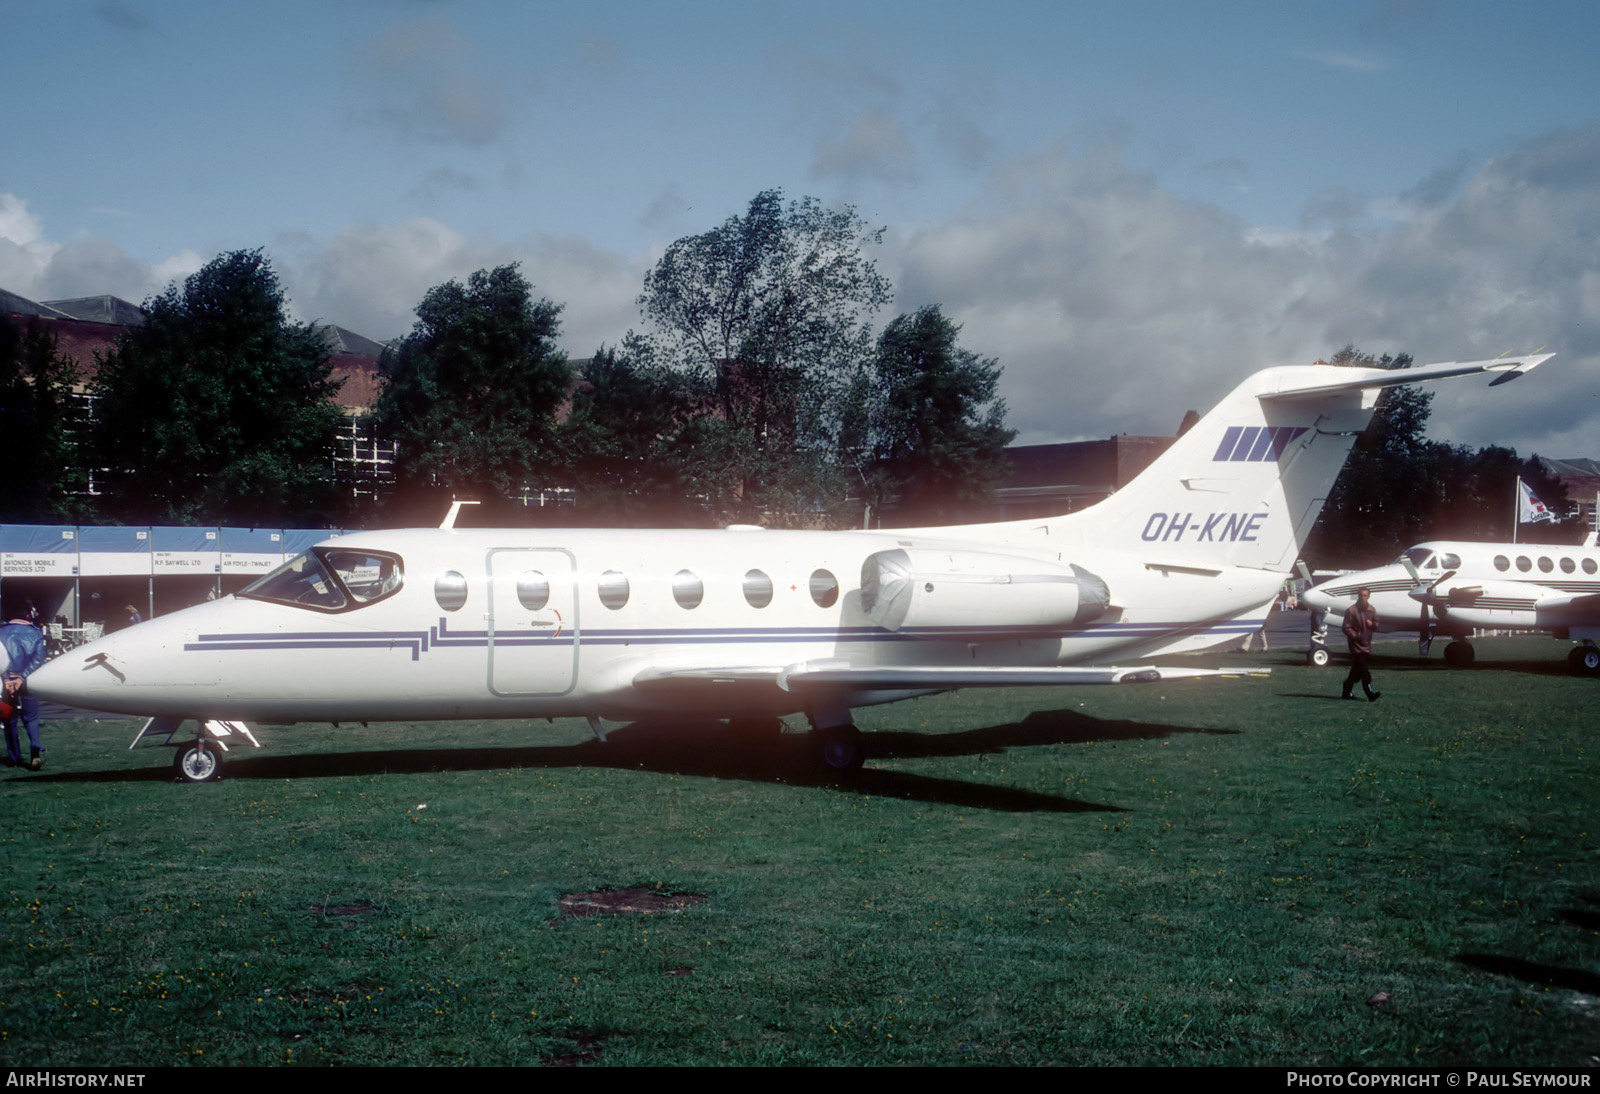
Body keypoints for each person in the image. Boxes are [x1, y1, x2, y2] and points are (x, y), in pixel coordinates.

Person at [1, 597, 48, 769]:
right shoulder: (35, 633)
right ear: (28, 615)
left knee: (9, 720)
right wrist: (22, 677)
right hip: (28, 680)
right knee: (31, 717)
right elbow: (39, 658)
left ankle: (14, 757)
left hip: (6, 682)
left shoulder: (1, 632)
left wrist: (7, 679)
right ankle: (35, 750)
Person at [1341, 586, 1381, 702]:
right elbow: (1346, 627)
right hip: (1356, 646)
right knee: (1364, 670)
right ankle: (1370, 693)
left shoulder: (1371, 610)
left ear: (1368, 596)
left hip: (1366, 645)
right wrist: (1356, 636)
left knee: (1356, 672)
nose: (1362, 598)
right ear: (1358, 596)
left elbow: (1377, 624)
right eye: (1360, 595)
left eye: (1365, 595)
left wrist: (1372, 625)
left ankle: (1346, 691)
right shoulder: (1351, 611)